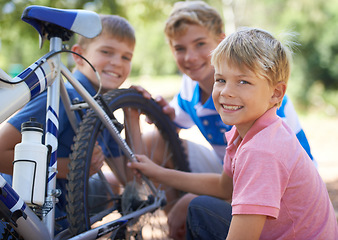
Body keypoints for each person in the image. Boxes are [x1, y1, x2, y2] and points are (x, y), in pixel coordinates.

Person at [129, 27, 338, 239]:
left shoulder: (262, 150)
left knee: (200, 210)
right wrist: (158, 173)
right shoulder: (251, 132)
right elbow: (224, 188)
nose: (227, 91)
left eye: (243, 82)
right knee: (200, 206)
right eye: (220, 80)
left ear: (276, 93)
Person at [0, 14, 135, 233]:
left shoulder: (102, 109)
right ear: (79, 56)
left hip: (58, 213)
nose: (117, 62)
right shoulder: (63, 98)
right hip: (24, 217)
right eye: (106, 52)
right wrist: (72, 167)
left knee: (112, 187)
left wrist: (131, 116)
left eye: (126, 57)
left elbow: (130, 180)